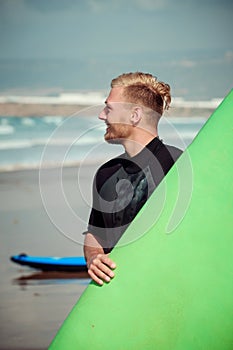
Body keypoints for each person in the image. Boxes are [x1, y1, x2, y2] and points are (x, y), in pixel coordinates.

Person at [83, 72, 182, 285]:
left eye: (108, 108)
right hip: (120, 295)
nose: (102, 115)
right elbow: (95, 234)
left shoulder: (179, 167)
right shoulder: (106, 173)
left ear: (134, 115)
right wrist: (93, 257)